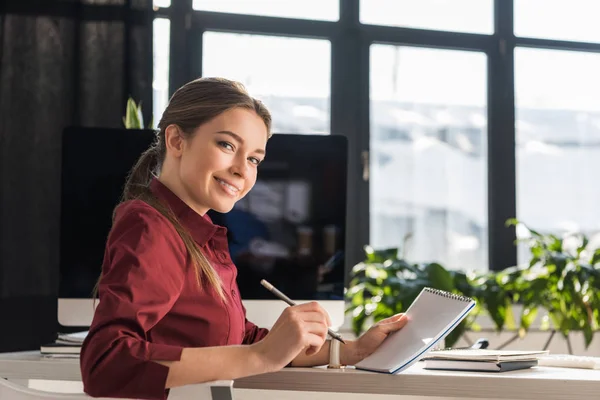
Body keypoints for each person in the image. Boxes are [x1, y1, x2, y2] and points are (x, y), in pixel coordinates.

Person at [79, 77, 408, 400]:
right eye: (226, 145)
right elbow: (107, 362)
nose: (242, 170)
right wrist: (261, 356)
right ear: (177, 141)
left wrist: (351, 351)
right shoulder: (151, 226)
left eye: (253, 159)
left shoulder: (199, 235)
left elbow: (240, 339)